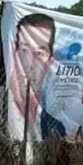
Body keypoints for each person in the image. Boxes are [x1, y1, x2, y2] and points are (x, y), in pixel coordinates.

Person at [9, 12, 66, 141]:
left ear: (50, 62)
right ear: (14, 53)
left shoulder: (56, 128)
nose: (30, 64)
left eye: (40, 53)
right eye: (24, 50)